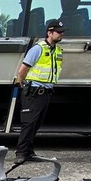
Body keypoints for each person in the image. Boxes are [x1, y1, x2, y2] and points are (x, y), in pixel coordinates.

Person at [13, 19, 66, 164]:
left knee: (36, 123)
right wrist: (22, 83)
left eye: (62, 33)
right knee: (29, 123)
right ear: (49, 32)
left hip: (46, 91)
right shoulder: (38, 49)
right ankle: (21, 153)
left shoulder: (57, 51)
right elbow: (23, 69)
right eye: (58, 32)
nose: (61, 35)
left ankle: (29, 152)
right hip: (34, 91)